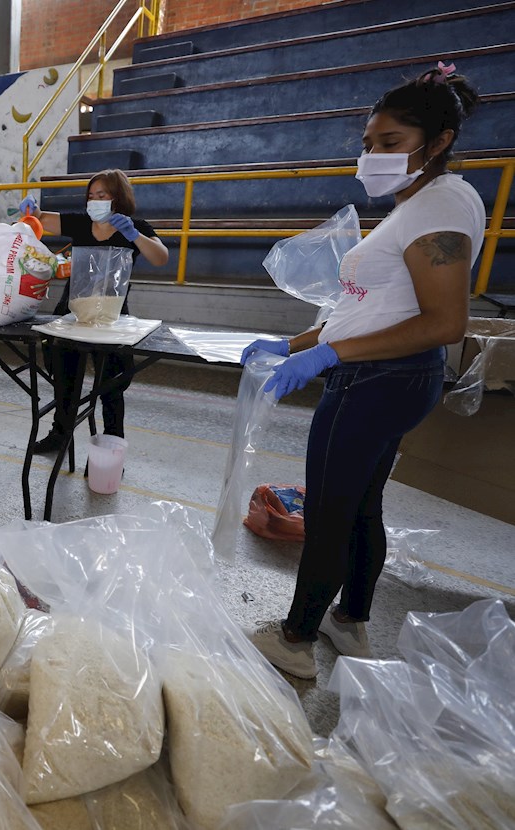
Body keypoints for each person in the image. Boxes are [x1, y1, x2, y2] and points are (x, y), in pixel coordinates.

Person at [243, 64, 484, 680]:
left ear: (439, 142)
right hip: (385, 375)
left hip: (379, 380)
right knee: (360, 504)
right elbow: (368, 310)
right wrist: (292, 341)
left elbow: (443, 322)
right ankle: (349, 619)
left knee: (328, 510)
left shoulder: (442, 205)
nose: (372, 155)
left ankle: (294, 641)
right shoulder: (416, 205)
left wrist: (327, 357)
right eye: (368, 144)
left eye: (391, 144)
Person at [19, 170, 169, 453]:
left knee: (112, 385)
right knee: (65, 379)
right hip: (73, 312)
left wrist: (135, 235)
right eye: (91, 195)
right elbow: (41, 219)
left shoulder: (133, 227)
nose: (95, 201)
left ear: (118, 197)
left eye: (102, 195)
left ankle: (112, 444)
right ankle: (60, 434)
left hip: (112, 317)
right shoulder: (80, 223)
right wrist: (32, 209)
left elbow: (161, 257)